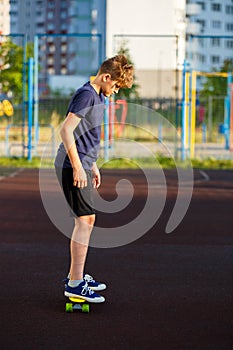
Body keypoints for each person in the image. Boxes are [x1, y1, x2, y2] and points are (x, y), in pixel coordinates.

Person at [54, 55, 134, 303]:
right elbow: (66, 129)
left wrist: (93, 164)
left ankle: (75, 277)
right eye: (116, 85)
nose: (115, 91)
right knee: (85, 220)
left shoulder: (99, 96)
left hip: (83, 163)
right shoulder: (87, 94)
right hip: (71, 164)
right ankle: (75, 283)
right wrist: (78, 167)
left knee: (86, 219)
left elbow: (85, 134)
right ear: (106, 77)